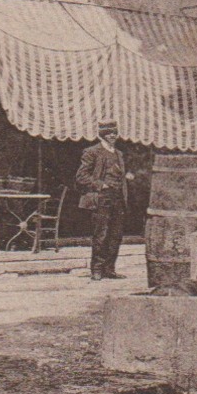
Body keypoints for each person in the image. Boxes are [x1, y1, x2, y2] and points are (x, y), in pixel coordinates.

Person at [76, 119, 132, 281]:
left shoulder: (119, 154)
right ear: (102, 134)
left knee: (116, 235)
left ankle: (109, 269)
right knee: (101, 234)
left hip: (118, 199)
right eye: (109, 133)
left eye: (115, 132)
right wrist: (101, 185)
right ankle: (97, 269)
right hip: (101, 199)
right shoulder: (92, 152)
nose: (113, 136)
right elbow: (81, 177)